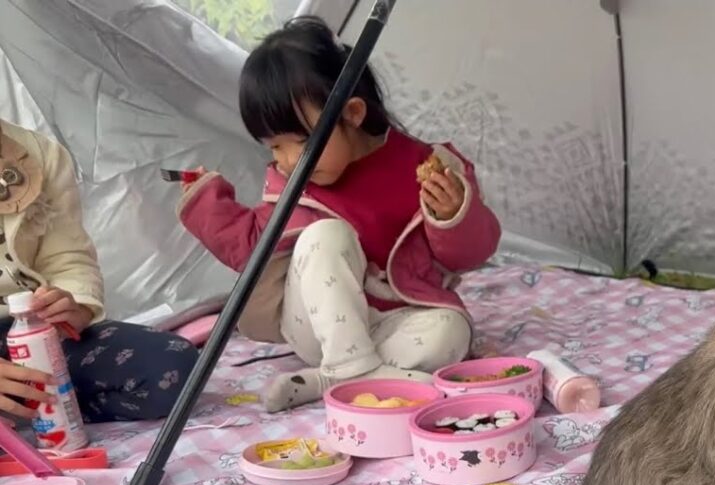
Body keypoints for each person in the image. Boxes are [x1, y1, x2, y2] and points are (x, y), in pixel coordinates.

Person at [178, 16, 501, 413]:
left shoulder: (426, 166)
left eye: (298, 142)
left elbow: (471, 254)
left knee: (452, 330)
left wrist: (452, 216)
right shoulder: (295, 186)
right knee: (325, 235)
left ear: (352, 113)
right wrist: (205, 203)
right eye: (273, 147)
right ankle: (353, 368)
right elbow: (251, 248)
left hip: (396, 319)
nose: (287, 160)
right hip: (318, 328)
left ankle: (334, 380)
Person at [0, 120, 199, 422]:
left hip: (27, 332)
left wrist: (75, 305)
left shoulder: (38, 154)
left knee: (170, 367)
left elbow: (66, 257)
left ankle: (37, 411)